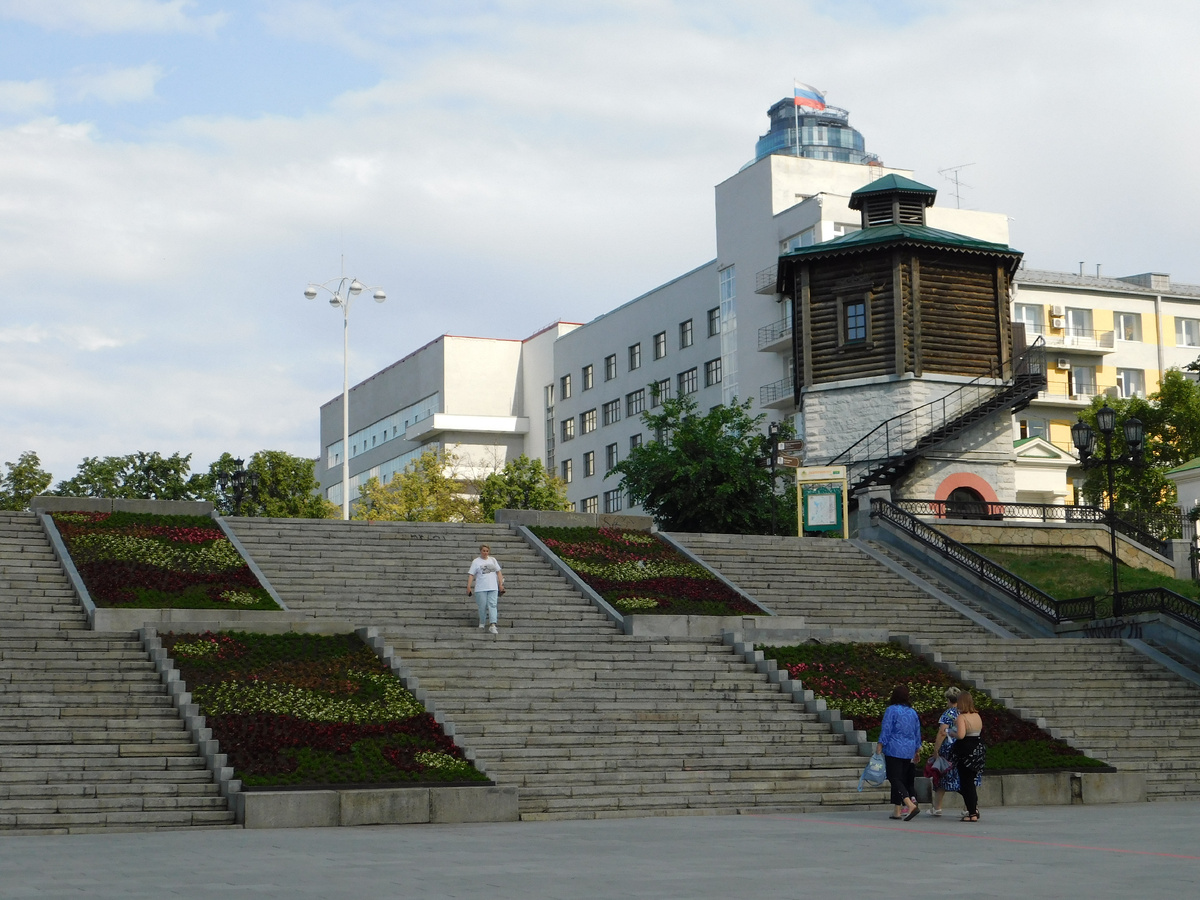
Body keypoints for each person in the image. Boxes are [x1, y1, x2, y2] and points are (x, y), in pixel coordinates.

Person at [876, 684, 922, 821]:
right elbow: (917, 732)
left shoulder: (892, 710)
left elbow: (887, 729)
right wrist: (917, 749)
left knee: (894, 777)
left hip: (894, 747)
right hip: (908, 749)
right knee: (900, 778)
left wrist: (880, 744)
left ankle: (909, 804)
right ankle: (897, 810)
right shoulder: (912, 712)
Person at [929, 686, 973, 816]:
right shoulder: (965, 712)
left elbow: (942, 733)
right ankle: (968, 806)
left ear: (949, 700)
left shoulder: (948, 713)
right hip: (964, 747)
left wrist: (936, 750)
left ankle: (937, 807)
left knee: (941, 776)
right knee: (961, 778)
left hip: (949, 749)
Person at [951, 689, 985, 822]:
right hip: (977, 748)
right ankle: (974, 809)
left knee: (966, 783)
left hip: (965, 750)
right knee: (971, 780)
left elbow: (960, 735)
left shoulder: (961, 717)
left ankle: (972, 812)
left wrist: (951, 732)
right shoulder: (977, 715)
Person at [467, 544, 504, 634]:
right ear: (481, 551)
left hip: (493, 587)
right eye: (483, 551)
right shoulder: (476, 561)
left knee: (493, 605)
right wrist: (468, 586)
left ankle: (493, 624)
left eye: (487, 551)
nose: (485, 553)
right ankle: (482, 622)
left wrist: (501, 584)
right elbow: (471, 574)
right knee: (482, 606)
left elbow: (498, 572)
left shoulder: (493, 560)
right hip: (481, 588)